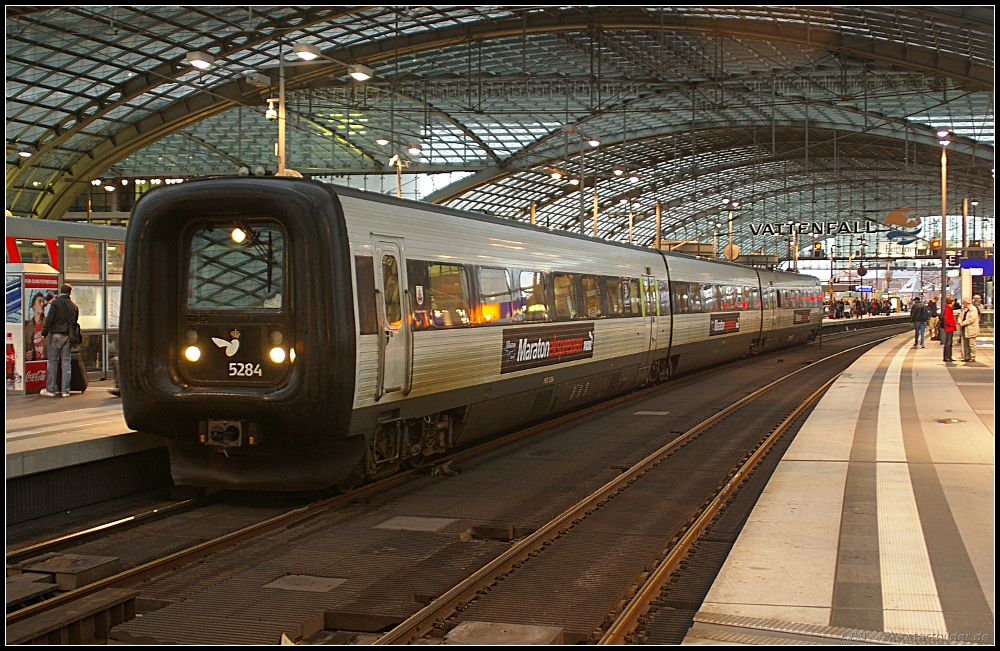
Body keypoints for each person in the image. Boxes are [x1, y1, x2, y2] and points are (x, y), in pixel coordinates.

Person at [39, 283, 79, 398]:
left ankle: (51, 389)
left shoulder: (56, 303)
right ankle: (65, 391)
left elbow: (50, 319)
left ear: (60, 291)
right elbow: (74, 322)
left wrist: (44, 333)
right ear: (70, 293)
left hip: (56, 335)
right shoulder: (74, 306)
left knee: (52, 362)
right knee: (66, 362)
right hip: (68, 336)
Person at [24, 291, 49, 361]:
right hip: (34, 364)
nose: (42, 304)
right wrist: (26, 355)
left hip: (47, 363)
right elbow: (24, 346)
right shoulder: (28, 327)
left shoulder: (48, 323)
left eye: (43, 302)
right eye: (39, 302)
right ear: (34, 306)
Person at [957, 297, 980, 362]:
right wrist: (959, 322)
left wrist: (963, 323)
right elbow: (960, 316)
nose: (963, 304)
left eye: (963, 303)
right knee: (965, 344)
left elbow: (971, 319)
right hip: (964, 329)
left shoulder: (973, 309)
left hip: (971, 329)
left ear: (966, 303)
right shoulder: (964, 310)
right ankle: (966, 356)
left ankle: (972, 357)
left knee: (971, 344)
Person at [941, 297, 957, 362]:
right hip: (949, 328)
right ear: (952, 302)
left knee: (949, 343)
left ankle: (949, 356)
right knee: (948, 343)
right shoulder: (948, 309)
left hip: (950, 327)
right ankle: (947, 357)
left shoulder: (949, 308)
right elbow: (947, 318)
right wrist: (952, 324)